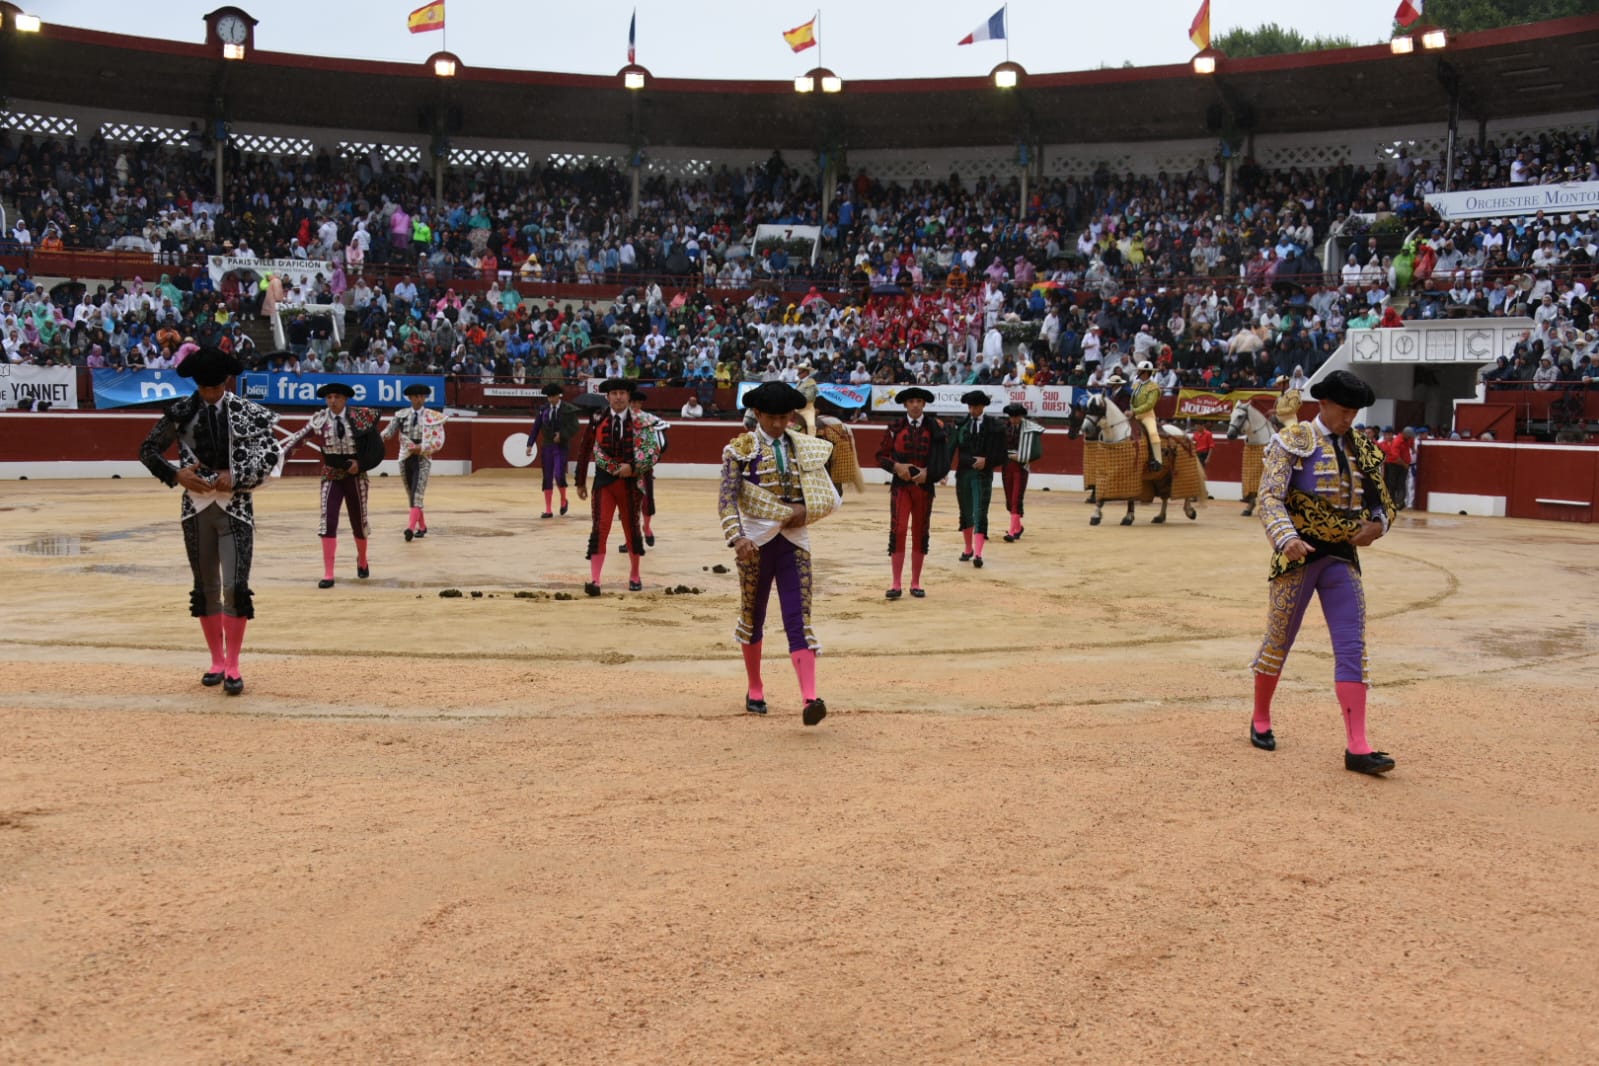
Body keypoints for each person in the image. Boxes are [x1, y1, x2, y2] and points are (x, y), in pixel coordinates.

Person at [1250, 369, 1398, 776]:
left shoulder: (1362, 448)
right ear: (1325, 405)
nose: (1350, 418)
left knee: (1352, 646)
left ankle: (1358, 746)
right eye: (1344, 410)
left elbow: (1382, 502)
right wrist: (1285, 538)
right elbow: (1270, 498)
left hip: (1341, 555)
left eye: (1355, 412)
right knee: (1279, 639)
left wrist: (1378, 526)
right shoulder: (1293, 440)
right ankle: (1260, 716)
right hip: (1298, 555)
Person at [138, 347, 280, 696]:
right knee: (205, 587)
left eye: (215, 387)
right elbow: (147, 450)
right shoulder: (181, 412)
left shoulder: (249, 413)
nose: (210, 394)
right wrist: (176, 476)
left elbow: (273, 456)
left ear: (226, 382)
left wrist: (239, 474)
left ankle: (233, 665)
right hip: (195, 510)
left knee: (234, 586)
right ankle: (216, 661)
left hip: (236, 508)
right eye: (204, 388)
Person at [718, 381, 841, 726]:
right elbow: (727, 499)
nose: (777, 424)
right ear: (757, 414)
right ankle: (755, 687)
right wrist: (736, 537)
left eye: (783, 417)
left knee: (798, 618)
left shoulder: (806, 447)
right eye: (771, 417)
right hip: (755, 543)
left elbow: (825, 495)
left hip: (795, 541)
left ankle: (810, 697)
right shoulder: (739, 449)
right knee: (752, 614)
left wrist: (807, 512)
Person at [280, 382, 379, 588]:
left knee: (359, 522)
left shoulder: (361, 417)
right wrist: (279, 458)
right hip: (331, 474)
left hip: (356, 476)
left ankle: (362, 560)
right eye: (329, 397)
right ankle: (328, 573)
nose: (332, 401)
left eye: (336, 397)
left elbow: (377, 448)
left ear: (345, 399)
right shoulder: (320, 419)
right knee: (328, 520)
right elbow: (298, 440)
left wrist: (361, 464)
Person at [574, 378, 662, 594]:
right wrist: (580, 480)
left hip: (631, 484)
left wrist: (632, 468)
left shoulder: (642, 420)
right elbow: (586, 448)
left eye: (622, 393)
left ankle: (634, 575)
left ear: (629, 396)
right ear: (608, 397)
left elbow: (654, 450)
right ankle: (594, 580)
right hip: (604, 482)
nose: (619, 397)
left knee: (631, 530)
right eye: (614, 393)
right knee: (600, 529)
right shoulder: (598, 418)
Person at [875, 386, 949, 599]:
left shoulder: (936, 427)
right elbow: (881, 456)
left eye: (918, 401)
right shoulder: (895, 428)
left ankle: (915, 582)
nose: (915, 404)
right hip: (901, 488)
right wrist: (896, 467)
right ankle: (896, 583)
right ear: (905, 405)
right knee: (898, 530)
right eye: (911, 401)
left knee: (920, 531)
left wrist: (930, 474)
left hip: (924, 488)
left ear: (924, 404)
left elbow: (943, 462)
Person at [950, 389, 1009, 567]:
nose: (972, 410)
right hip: (964, 474)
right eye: (970, 406)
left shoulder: (995, 426)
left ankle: (979, 553)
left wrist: (988, 461)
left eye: (975, 406)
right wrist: (943, 471)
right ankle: (968, 548)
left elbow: (1003, 454)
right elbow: (950, 449)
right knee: (966, 511)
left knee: (980, 512)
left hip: (983, 475)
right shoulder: (961, 425)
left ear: (982, 406)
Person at [381, 382, 446, 541]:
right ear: (410, 398)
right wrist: (373, 440)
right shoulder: (401, 415)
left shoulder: (433, 416)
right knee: (412, 494)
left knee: (417, 494)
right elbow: (387, 433)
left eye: (422, 396)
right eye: (416, 396)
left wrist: (422, 447)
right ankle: (422, 527)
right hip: (405, 457)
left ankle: (410, 528)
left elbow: (439, 441)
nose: (419, 399)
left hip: (423, 457)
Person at [526, 383, 579, 518]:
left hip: (561, 446)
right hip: (547, 445)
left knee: (559, 474)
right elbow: (536, 427)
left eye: (552, 396)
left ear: (558, 396)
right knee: (547, 476)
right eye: (548, 397)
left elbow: (575, 427)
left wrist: (562, 435)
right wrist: (530, 444)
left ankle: (563, 499)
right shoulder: (543, 409)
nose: (550, 399)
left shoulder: (567, 409)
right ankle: (548, 509)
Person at [1000, 401, 1044, 542]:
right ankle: (1018, 527)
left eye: (1016, 417)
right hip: (1006, 466)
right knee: (1009, 499)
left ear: (1021, 416)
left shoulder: (1028, 429)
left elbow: (1036, 452)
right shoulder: (1004, 427)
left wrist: (1020, 457)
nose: (1013, 419)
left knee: (1015, 499)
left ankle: (1012, 531)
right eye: (1011, 417)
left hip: (1021, 468)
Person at [629, 388, 667, 547]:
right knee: (629, 503)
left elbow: (661, 444)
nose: (636, 405)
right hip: (627, 468)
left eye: (639, 402)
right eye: (634, 402)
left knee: (646, 500)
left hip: (644, 467)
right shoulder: (622, 420)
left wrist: (649, 461)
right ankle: (630, 537)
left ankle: (647, 527)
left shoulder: (650, 421)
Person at [1130, 359, 1163, 471]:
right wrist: (1130, 411)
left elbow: (1149, 404)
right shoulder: (1136, 385)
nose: (1137, 372)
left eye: (1139, 371)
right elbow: (1131, 401)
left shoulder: (1154, 387)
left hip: (1147, 416)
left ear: (1144, 372)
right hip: (1134, 415)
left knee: (1153, 433)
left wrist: (1134, 411)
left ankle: (1158, 460)